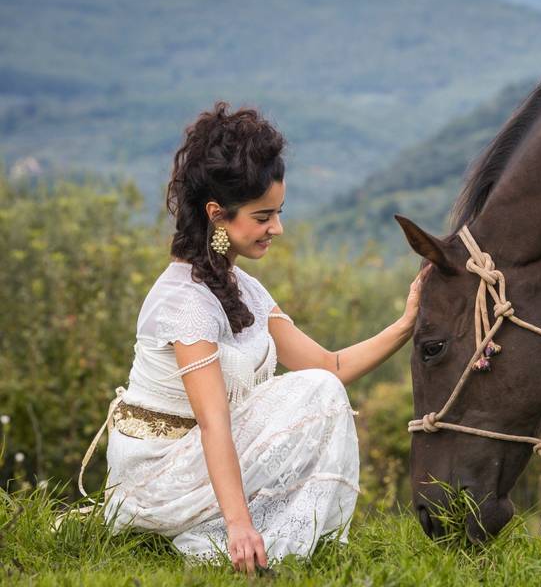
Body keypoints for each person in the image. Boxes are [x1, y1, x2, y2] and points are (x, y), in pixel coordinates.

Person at [79, 101, 424, 574]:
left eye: (278, 213)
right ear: (218, 215)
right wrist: (239, 525)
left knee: (321, 388)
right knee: (316, 394)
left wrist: (406, 325)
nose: (276, 229)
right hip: (158, 475)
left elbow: (331, 367)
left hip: (200, 459)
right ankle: (241, 541)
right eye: (263, 217)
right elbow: (213, 421)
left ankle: (283, 538)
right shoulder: (186, 302)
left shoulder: (247, 290)